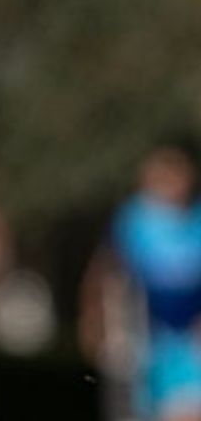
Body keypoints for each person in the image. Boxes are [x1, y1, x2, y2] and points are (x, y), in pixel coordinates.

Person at [79, 141, 201, 421]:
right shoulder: (132, 222)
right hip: (140, 341)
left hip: (187, 347)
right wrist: (93, 321)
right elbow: (104, 272)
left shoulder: (196, 222)